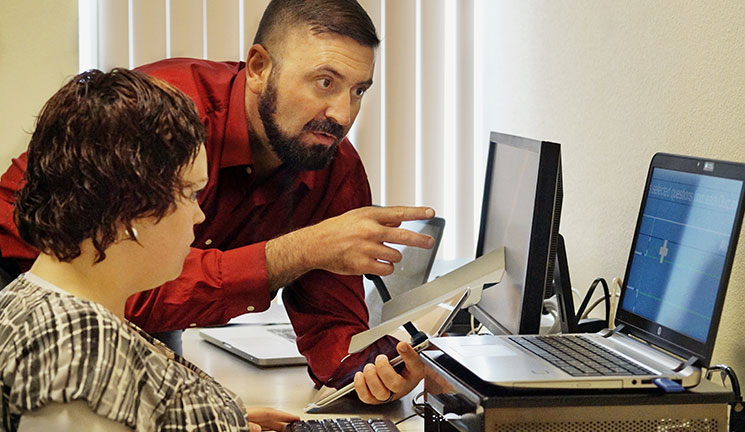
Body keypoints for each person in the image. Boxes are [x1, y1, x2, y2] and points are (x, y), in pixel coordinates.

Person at [0, 0, 426, 404]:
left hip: (145, 312)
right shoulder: (163, 118)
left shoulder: (330, 161)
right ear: (259, 68)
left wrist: (374, 373)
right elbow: (118, 285)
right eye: (325, 82)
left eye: (358, 91)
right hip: (29, 284)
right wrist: (300, 250)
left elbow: (333, 326)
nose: (342, 114)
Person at [0, 68, 298, 431]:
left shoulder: (44, 300)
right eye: (190, 193)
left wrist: (214, 421)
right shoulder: (79, 357)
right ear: (129, 204)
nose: (199, 215)